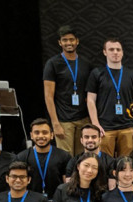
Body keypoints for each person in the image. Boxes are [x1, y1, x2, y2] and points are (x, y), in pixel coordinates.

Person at [86, 37, 133, 157]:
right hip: (105, 128)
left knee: (126, 163)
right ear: (105, 52)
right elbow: (90, 100)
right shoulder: (97, 73)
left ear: (122, 52)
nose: (115, 52)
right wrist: (95, 124)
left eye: (118, 49)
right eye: (111, 49)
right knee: (105, 164)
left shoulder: (131, 74)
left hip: (127, 127)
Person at [43, 25, 92, 155]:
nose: (68, 43)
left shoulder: (85, 64)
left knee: (84, 158)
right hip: (63, 121)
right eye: (65, 40)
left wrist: (92, 120)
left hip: (84, 119)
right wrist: (55, 123)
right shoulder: (53, 63)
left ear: (77, 41)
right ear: (60, 42)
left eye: (71, 39)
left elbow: (90, 95)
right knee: (66, 160)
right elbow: (48, 96)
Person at [16, 118, 71, 200]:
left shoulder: (64, 156)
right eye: (37, 133)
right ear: (31, 135)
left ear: (52, 135)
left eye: (45, 132)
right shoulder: (22, 157)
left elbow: (67, 184)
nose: (41, 136)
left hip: (57, 201)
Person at [65, 123, 116, 189]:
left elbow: (111, 190)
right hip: (79, 197)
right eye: (86, 137)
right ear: (81, 140)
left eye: (94, 137)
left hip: (102, 197)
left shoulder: (110, 161)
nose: (90, 140)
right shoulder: (73, 161)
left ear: (100, 140)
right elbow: (69, 188)